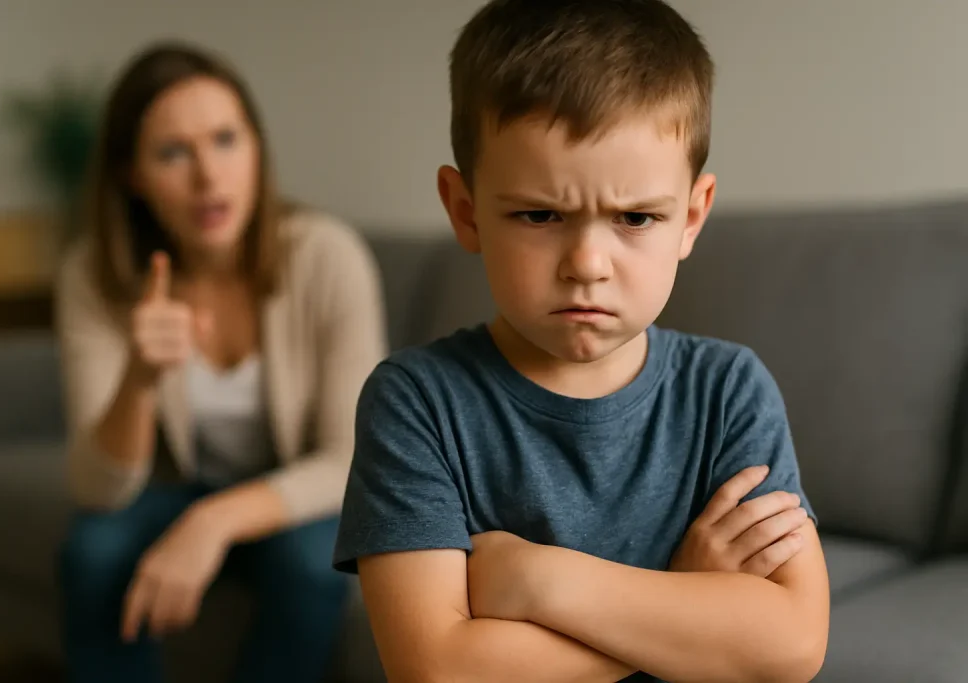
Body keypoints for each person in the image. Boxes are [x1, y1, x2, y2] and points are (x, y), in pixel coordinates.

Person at [332, 1, 830, 682]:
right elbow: (437, 669)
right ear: (465, 210)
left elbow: (792, 644)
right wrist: (684, 596)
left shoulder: (729, 391)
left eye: (635, 217)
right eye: (540, 213)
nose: (588, 262)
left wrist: (541, 580)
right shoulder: (416, 401)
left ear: (691, 216)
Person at [55, 41, 387, 683]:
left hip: (289, 490)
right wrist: (139, 379)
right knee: (90, 554)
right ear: (132, 175)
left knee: (312, 564)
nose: (209, 176)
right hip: (168, 487)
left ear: (258, 147)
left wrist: (211, 523)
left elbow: (353, 457)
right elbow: (96, 488)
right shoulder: (92, 275)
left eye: (226, 139)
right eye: (173, 153)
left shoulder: (328, 256)